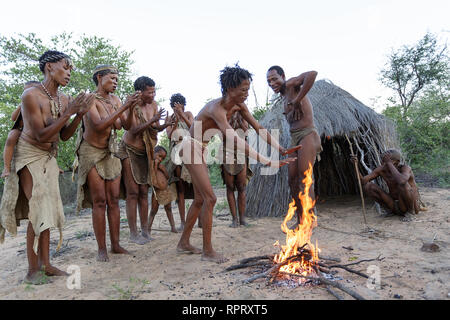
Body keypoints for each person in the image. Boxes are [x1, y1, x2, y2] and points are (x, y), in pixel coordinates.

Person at [175, 64, 300, 264]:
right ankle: (208, 251)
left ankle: (183, 243)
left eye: (248, 89)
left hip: (201, 148)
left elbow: (258, 128)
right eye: (243, 90)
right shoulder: (216, 109)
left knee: (200, 200)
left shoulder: (239, 106)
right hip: (190, 147)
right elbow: (235, 139)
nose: (247, 94)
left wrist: (281, 149)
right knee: (210, 199)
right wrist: (266, 160)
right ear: (229, 89)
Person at [0, 50, 94, 284]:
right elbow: (41, 134)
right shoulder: (30, 95)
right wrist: (71, 112)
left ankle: (47, 264)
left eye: (71, 68)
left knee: (49, 210)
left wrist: (79, 115)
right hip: (30, 154)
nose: (69, 72)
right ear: (49, 67)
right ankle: (33, 269)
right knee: (37, 211)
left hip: (48, 156)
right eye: (66, 66)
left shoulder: (63, 99)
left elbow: (62, 136)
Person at [75, 64, 141, 261]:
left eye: (117, 79)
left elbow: (126, 126)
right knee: (100, 201)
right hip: (92, 151)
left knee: (113, 200)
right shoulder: (90, 99)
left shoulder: (116, 100)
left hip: (110, 151)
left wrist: (129, 107)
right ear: (99, 78)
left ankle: (116, 245)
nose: (115, 82)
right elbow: (98, 125)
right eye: (111, 78)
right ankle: (101, 249)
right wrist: (123, 106)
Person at [116, 76, 169, 244]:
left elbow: (154, 128)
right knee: (132, 193)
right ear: (140, 92)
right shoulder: (131, 105)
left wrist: (164, 125)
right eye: (149, 92)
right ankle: (133, 233)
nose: (153, 95)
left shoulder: (153, 105)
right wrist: (153, 121)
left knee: (144, 193)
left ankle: (145, 231)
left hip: (145, 151)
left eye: (154, 91)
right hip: (130, 150)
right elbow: (132, 130)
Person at [266, 65, 321, 226]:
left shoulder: (291, 85)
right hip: (294, 138)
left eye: (274, 78)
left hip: (307, 134)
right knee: (292, 179)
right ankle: (300, 219)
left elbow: (312, 74)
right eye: (269, 81)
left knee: (305, 177)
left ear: (283, 76)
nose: (272, 83)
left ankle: (309, 220)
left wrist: (297, 100)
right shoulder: (283, 96)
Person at [352, 149, 421, 221]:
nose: (382, 163)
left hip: (409, 206)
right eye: (383, 160)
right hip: (394, 205)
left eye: (386, 161)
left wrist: (389, 164)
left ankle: (410, 213)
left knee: (403, 184)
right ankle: (390, 210)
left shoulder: (405, 168)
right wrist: (355, 166)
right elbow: (363, 181)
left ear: (397, 162)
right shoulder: (382, 170)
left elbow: (402, 181)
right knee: (368, 186)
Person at [164, 93, 194, 231]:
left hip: (190, 152)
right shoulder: (169, 118)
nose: (176, 108)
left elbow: (194, 129)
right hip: (176, 154)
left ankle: (197, 219)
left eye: (179, 105)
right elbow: (169, 135)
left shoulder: (188, 114)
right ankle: (183, 221)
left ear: (183, 105)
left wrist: (182, 115)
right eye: (174, 106)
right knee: (180, 188)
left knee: (196, 187)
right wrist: (175, 120)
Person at [221, 111, 253, 227]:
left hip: (240, 150)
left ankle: (242, 218)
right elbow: (222, 134)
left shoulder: (243, 113)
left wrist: (239, 120)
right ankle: (234, 219)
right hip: (227, 150)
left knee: (241, 186)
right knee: (230, 186)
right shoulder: (224, 113)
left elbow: (246, 132)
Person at [1, 81, 40, 178]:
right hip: (21, 130)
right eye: (25, 92)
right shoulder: (23, 105)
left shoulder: (42, 104)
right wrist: (20, 105)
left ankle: (54, 164)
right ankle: (6, 167)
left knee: (53, 139)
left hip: (37, 132)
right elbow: (13, 118)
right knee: (11, 136)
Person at [147, 146, 178, 235]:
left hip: (165, 190)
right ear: (153, 153)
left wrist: (163, 169)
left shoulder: (161, 166)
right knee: (153, 210)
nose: (160, 159)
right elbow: (152, 176)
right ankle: (148, 229)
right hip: (156, 192)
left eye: (163, 158)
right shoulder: (151, 165)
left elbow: (167, 177)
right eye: (159, 156)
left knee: (169, 209)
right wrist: (156, 165)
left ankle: (173, 227)